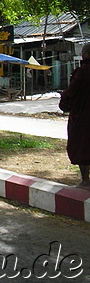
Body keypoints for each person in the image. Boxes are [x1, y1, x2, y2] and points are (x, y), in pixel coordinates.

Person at [59, 43, 90, 188]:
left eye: (84, 51)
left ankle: (85, 180)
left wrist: (64, 101)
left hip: (83, 117)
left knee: (81, 145)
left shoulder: (83, 72)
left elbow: (72, 92)